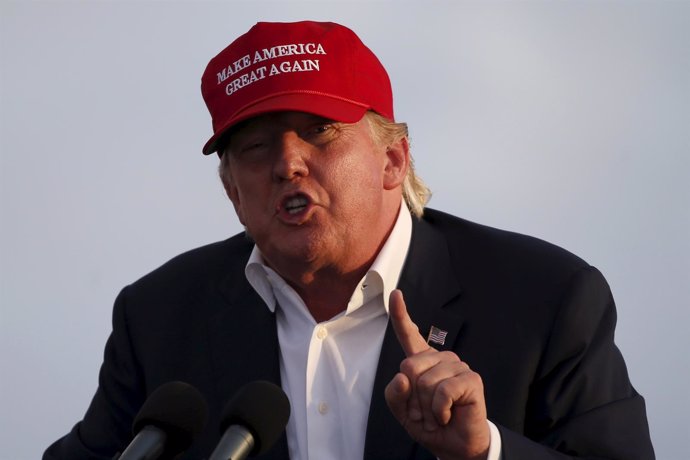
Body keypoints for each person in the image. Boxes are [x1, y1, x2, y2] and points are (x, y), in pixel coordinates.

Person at [44, 20, 654, 460]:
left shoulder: (545, 299)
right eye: (256, 148)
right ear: (231, 189)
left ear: (393, 159)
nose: (287, 164)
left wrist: (484, 452)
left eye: (319, 133)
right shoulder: (158, 317)